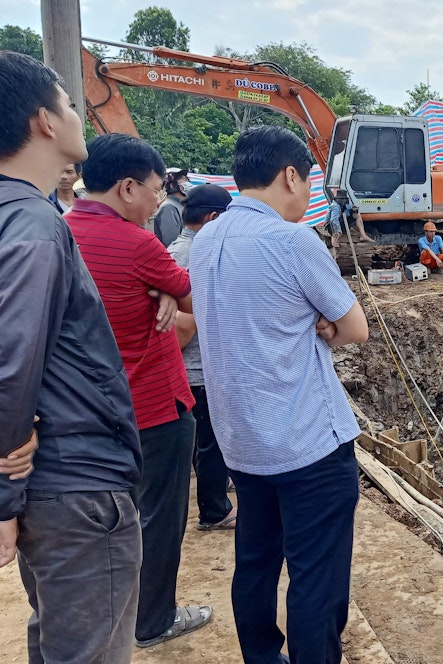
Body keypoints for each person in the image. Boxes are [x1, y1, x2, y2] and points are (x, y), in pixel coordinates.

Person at [189, 125, 369, 664]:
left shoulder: (206, 239)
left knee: (257, 562)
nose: (311, 194)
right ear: (290, 175)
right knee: (316, 577)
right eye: (309, 181)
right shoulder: (293, 241)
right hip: (308, 443)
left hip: (241, 441)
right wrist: (323, 324)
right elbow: (355, 327)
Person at [0, 49, 142, 664]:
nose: (80, 115)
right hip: (75, 485)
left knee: (56, 638)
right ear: (44, 121)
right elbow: (12, 359)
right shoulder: (33, 227)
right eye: (68, 103)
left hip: (50, 485)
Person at [65, 133, 211, 648]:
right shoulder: (137, 243)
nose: (158, 201)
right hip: (154, 406)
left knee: (113, 522)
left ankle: (115, 616)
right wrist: (171, 300)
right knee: (160, 518)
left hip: (89, 413)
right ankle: (153, 620)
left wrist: (168, 300)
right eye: (154, 190)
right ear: (127, 188)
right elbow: (201, 301)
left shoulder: (61, 232)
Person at [167, 184, 237, 533]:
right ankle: (214, 510)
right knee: (213, 440)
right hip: (202, 364)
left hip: (179, 366)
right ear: (212, 218)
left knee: (199, 439)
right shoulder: (205, 255)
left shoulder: (171, 251)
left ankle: (217, 488)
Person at [154, 167, 191, 247]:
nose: (188, 183)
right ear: (172, 185)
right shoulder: (168, 207)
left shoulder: (181, 205)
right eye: (184, 180)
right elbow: (172, 243)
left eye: (187, 180)